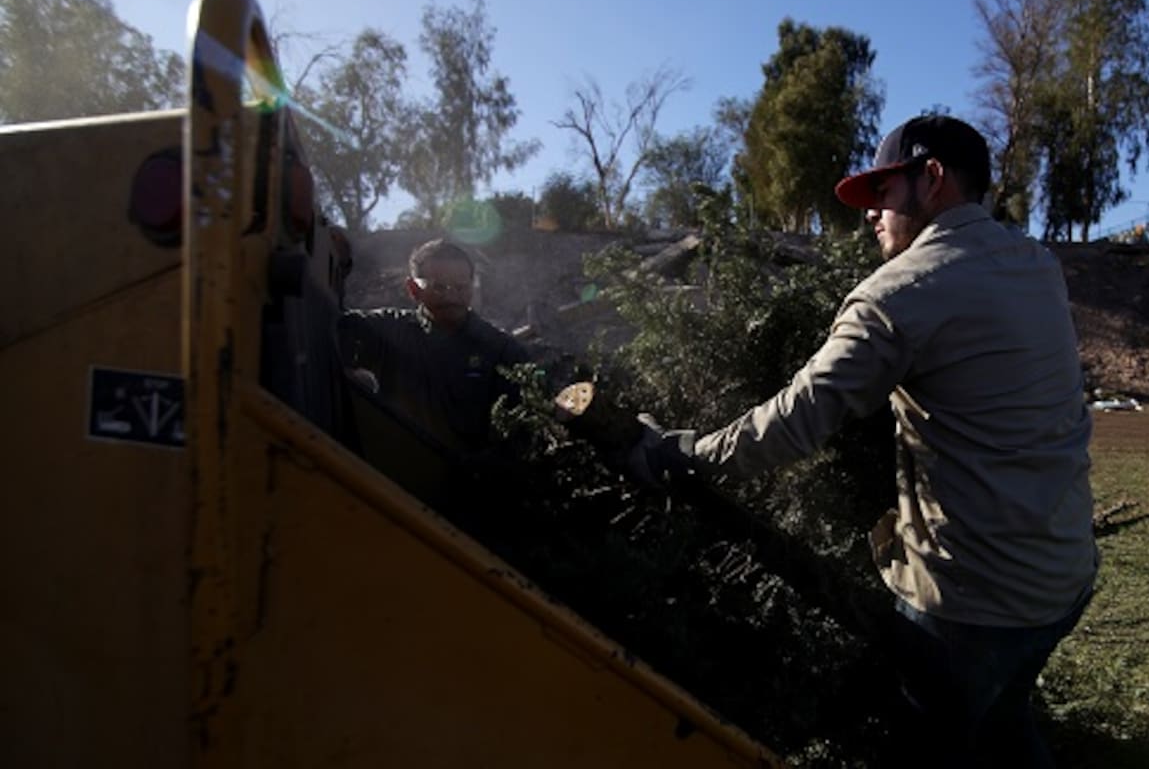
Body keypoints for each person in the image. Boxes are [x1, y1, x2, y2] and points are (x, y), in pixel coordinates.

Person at [630, 115, 1097, 768]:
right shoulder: (1035, 263)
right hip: (1064, 575)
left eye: (883, 193)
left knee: (931, 746)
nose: (871, 215)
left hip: (974, 605)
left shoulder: (902, 290)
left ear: (931, 178)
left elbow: (797, 420)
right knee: (1003, 723)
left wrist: (683, 454)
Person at [339, 238, 529, 453]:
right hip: (396, 477)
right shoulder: (389, 331)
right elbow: (331, 323)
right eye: (439, 287)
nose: (451, 296)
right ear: (413, 289)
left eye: (460, 287)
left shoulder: (500, 350)